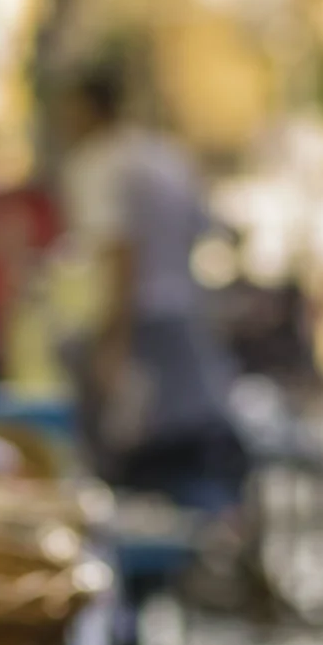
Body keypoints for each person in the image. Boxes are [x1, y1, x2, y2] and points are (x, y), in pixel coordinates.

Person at [60, 64, 244, 506]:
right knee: (190, 444)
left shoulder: (100, 163)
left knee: (139, 461)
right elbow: (214, 233)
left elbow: (121, 254)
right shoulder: (165, 156)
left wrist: (113, 346)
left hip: (138, 326)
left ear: (88, 108)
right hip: (184, 318)